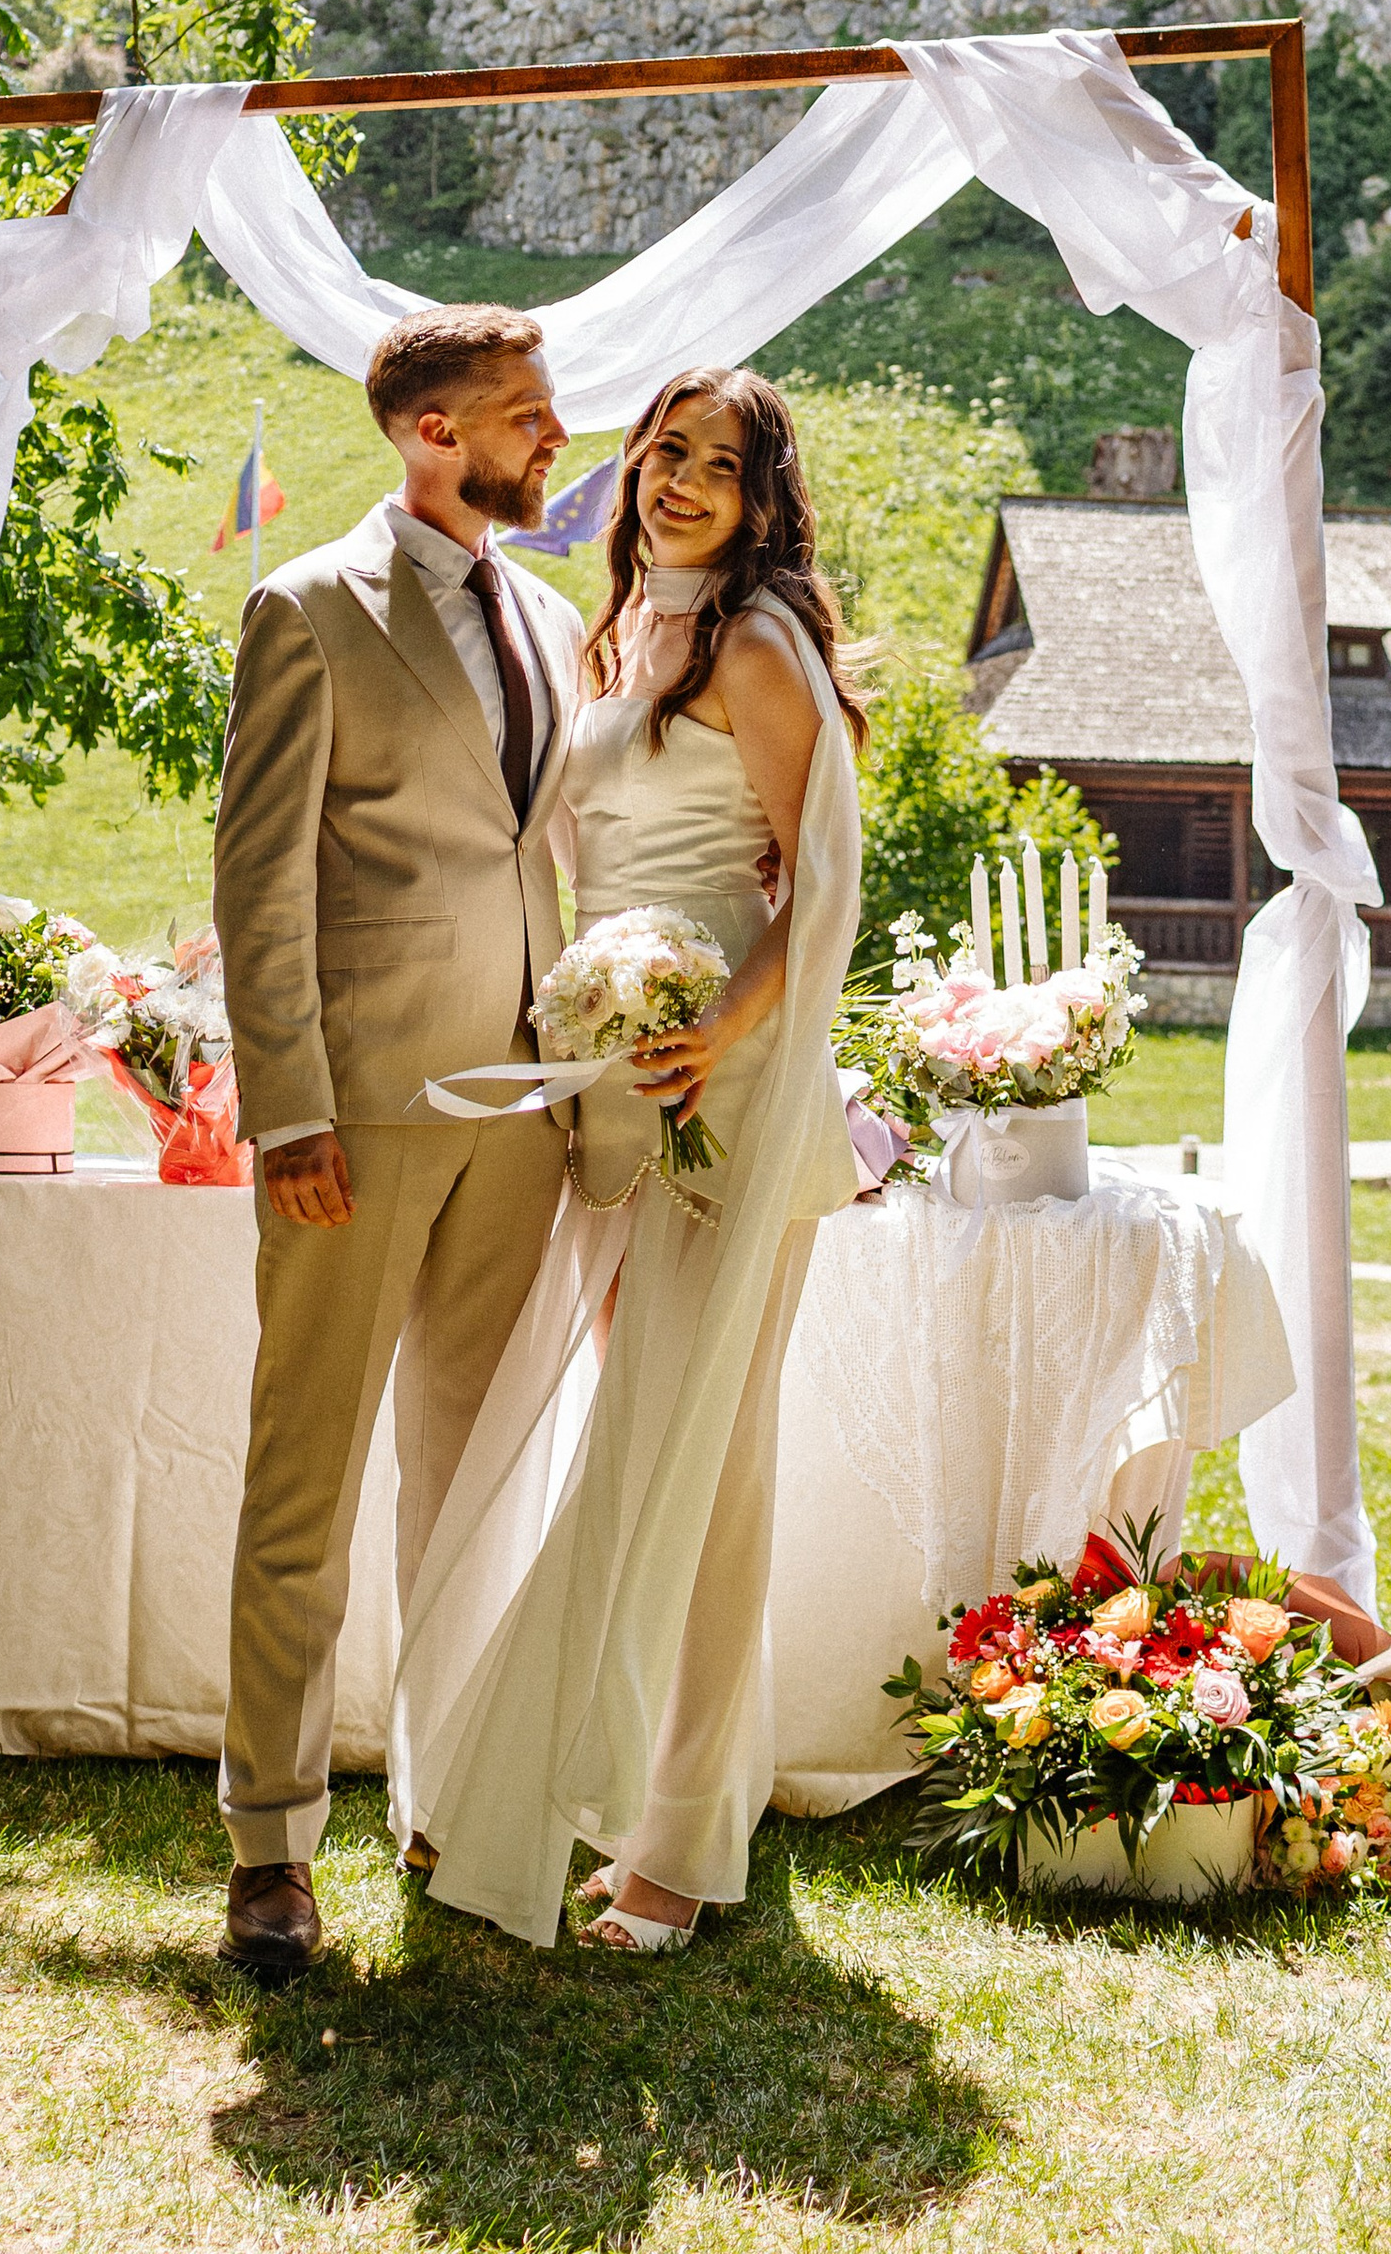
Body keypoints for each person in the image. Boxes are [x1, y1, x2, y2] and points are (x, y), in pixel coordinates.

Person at [389, 365, 866, 1954]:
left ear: (760, 498)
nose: (681, 482)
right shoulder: (615, 640)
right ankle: (628, 1797)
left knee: (704, 1472)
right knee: (657, 1453)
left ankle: (678, 1841)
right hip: (612, 1091)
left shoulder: (756, 644)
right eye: (667, 451)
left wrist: (716, 1034)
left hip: (724, 1094)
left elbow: (820, 886)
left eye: (719, 466)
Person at [210, 304, 583, 1980]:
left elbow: (537, 855)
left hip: (526, 1116)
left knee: (473, 1479)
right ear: (435, 432)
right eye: (524, 414)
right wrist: (288, 1107)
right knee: (305, 1482)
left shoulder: (550, 616)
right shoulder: (306, 608)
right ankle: (270, 1851)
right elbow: (260, 881)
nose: (553, 438)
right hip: (354, 1119)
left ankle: (456, 1802)